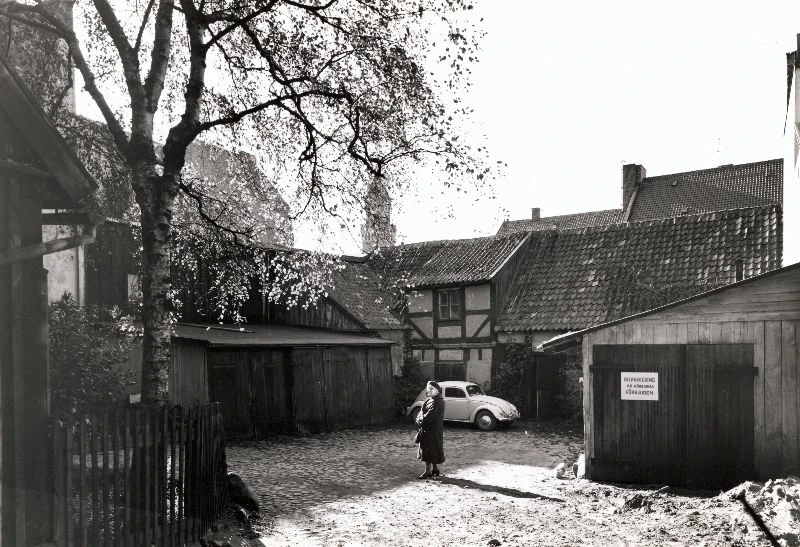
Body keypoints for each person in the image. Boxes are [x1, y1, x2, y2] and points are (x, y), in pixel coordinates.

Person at [415, 380, 445, 479]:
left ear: (437, 391)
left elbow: (430, 417)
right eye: (428, 389)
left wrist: (420, 419)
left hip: (434, 431)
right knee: (430, 450)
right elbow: (420, 413)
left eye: (431, 389)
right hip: (427, 430)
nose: (429, 391)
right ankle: (435, 469)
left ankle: (428, 471)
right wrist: (419, 418)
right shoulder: (428, 400)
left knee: (431, 450)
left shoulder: (439, 401)